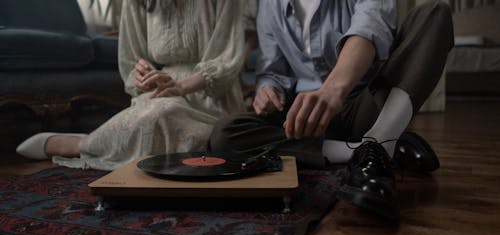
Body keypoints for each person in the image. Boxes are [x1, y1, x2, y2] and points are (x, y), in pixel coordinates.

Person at [209, 0, 454, 219]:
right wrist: (267, 90)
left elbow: (370, 27)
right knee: (226, 134)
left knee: (435, 13)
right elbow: (272, 71)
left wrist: (332, 90)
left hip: (366, 102)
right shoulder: (269, 5)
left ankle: (380, 136)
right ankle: (374, 148)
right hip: (308, 119)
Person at [16, 0, 245, 170]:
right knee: (156, 113)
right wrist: (141, 73)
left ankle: (83, 143)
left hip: (211, 94)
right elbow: (131, 57)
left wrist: (182, 86)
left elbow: (227, 59)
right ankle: (90, 142)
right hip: (162, 86)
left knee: (166, 114)